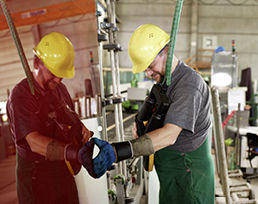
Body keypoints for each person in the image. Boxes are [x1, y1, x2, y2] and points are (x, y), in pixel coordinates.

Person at [79, 24, 215, 203]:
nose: (148, 73)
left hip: (189, 175)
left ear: (166, 51)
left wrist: (117, 151)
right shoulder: (165, 81)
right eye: (145, 69)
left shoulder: (188, 86)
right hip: (172, 173)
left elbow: (169, 135)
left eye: (150, 66)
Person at [7, 32, 92, 204]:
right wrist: (74, 153)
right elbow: (34, 141)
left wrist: (81, 129)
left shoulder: (59, 89)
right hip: (36, 177)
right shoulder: (21, 95)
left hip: (62, 169)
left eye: (61, 74)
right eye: (53, 73)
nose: (58, 79)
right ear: (37, 63)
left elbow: (69, 118)